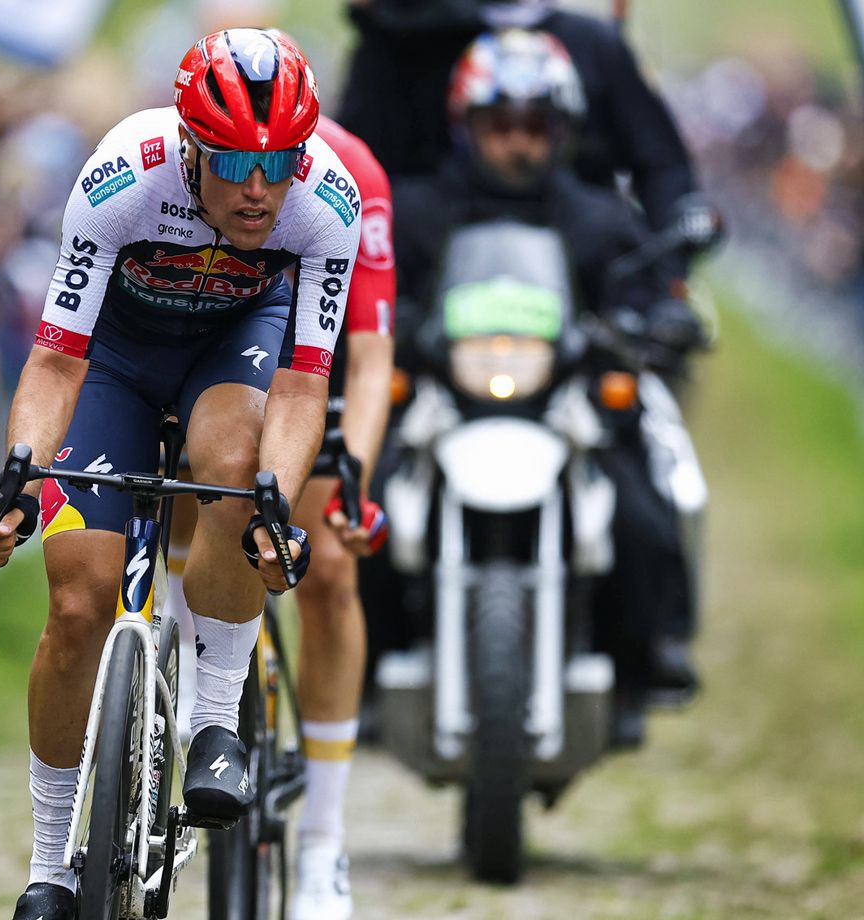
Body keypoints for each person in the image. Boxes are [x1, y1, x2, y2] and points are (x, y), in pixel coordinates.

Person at [0, 29, 361, 920]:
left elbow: (303, 386)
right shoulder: (120, 177)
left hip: (238, 348)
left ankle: (214, 718)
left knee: (235, 471)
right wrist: (19, 480)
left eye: (280, 161)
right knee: (77, 601)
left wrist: (276, 499)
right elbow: (57, 361)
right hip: (112, 361)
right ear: (188, 144)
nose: (260, 189)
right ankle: (49, 864)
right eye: (233, 161)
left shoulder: (325, 202)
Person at [392, 30, 703, 746]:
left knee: (640, 503)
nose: (519, 144)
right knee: (366, 499)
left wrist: (659, 316)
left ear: (564, 132)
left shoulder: (602, 217)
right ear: (466, 125)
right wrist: (391, 325)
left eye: (536, 127)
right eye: (501, 126)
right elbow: (377, 288)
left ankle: (642, 659)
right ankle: (376, 656)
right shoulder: (418, 211)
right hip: (445, 399)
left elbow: (650, 284)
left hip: (567, 402)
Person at [337, 0, 699, 244]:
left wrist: (666, 278)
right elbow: (354, 164)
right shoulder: (406, 40)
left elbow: (662, 164)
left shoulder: (594, 45)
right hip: (436, 252)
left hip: (577, 255)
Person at [287, 114, 393, 920]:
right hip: (211, 343)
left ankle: (323, 837)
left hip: (316, 365)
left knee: (328, 570)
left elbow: (370, 356)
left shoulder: (352, 171)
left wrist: (351, 473)